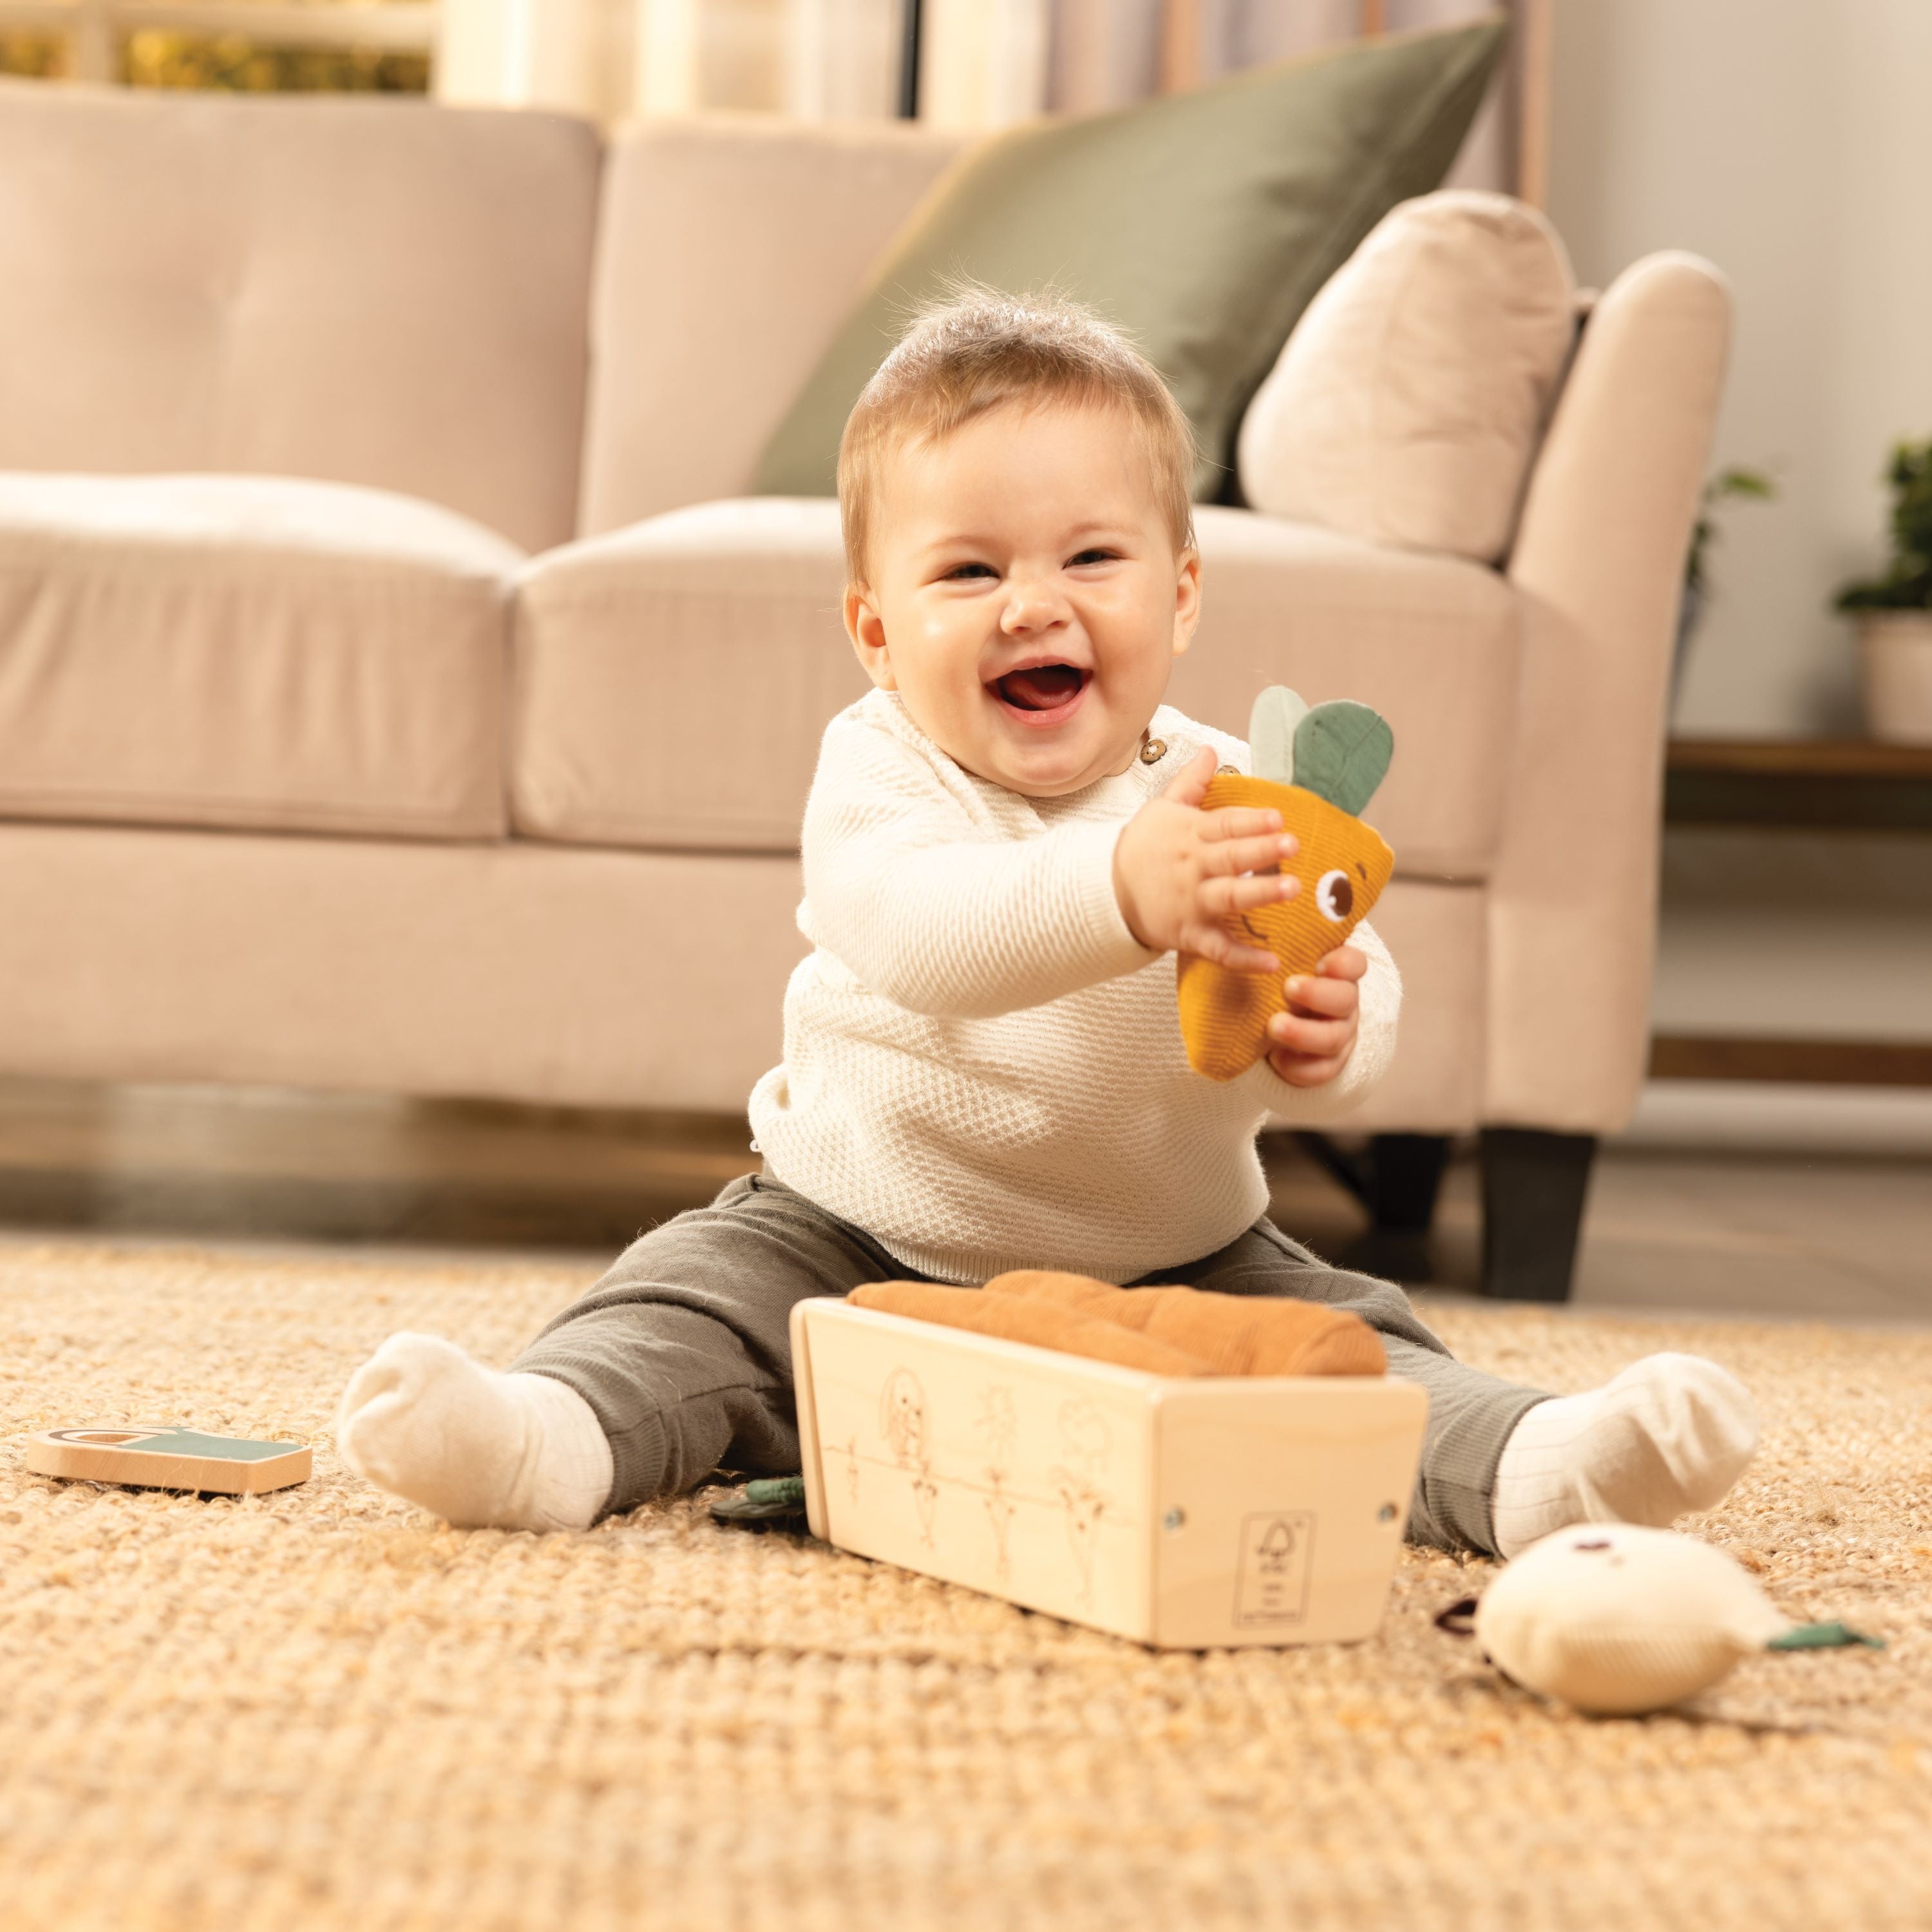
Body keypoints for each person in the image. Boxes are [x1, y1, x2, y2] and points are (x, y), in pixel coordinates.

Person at [337, 292, 1757, 1558]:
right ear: (878, 633)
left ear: (1181, 594)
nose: (1034, 606)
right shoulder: (882, 766)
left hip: (1181, 1254)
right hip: (851, 1230)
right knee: (684, 1313)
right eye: (967, 574)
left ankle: (1534, 1469)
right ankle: (540, 1440)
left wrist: (1335, 1028)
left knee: (1344, 1345)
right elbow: (921, 937)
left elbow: (1329, 948)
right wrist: (1125, 890)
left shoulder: (1223, 788)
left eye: (1092, 558)